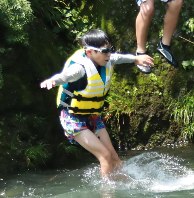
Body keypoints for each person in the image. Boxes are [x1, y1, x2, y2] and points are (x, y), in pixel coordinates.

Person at [40, 29, 154, 179]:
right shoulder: (80, 68)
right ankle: (108, 194)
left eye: (110, 49)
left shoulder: (106, 59)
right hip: (72, 118)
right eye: (105, 51)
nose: (109, 54)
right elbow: (65, 76)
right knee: (105, 155)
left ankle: (125, 183)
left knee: (114, 157)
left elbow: (118, 57)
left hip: (92, 116)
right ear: (89, 52)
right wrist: (53, 81)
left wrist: (135, 59)